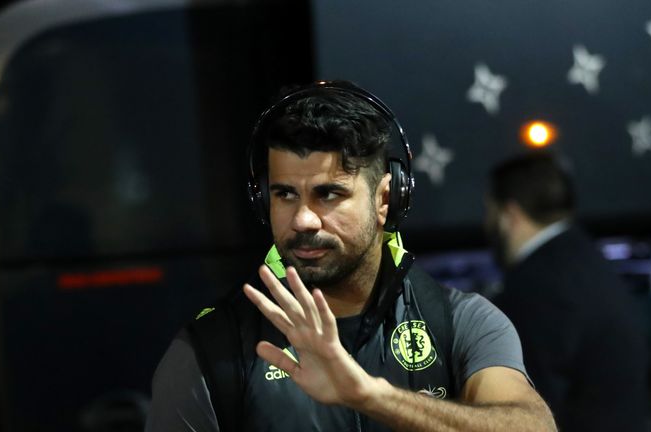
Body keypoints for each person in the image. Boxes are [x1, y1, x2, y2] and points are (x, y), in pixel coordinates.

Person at [145, 81, 556, 431]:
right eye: (285, 194)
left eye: (329, 194)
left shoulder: (462, 322)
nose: (303, 219)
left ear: (385, 201)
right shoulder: (208, 349)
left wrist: (370, 396)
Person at [485, 153, 651, 432]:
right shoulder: (585, 258)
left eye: (488, 212)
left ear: (508, 216)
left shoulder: (536, 285)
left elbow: (528, 409)